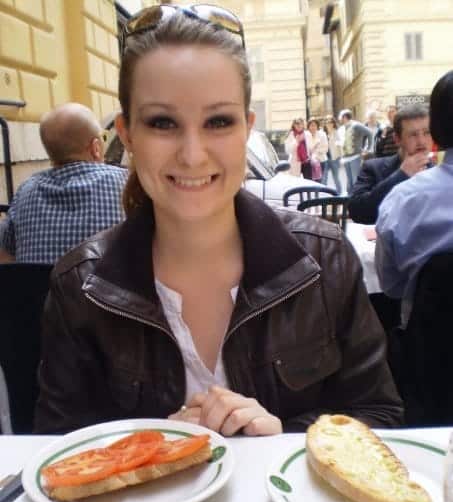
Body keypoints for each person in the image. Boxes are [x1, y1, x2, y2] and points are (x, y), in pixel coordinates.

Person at [34, 5, 402, 435]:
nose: (192, 154)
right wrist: (151, 446)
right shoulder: (79, 285)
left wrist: (283, 436)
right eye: (163, 122)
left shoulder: (326, 259)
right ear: (128, 133)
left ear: (247, 129)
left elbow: (379, 416)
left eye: (218, 121)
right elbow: (57, 447)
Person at [0, 103, 127, 264]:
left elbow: (5, 257)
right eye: (103, 137)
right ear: (95, 148)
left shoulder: (25, 190)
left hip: (39, 289)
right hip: (105, 289)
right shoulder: (125, 183)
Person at [376, 71, 453, 327]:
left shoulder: (404, 202)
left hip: (431, 352)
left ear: (436, 130)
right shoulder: (399, 191)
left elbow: (392, 286)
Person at [348, 104, 432, 224]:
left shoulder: (440, 173)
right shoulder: (373, 168)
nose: (421, 141)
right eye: (413, 135)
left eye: (427, 133)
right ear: (397, 139)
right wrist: (401, 175)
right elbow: (357, 212)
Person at [338, 109, 372, 194]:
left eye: (340, 116)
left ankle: (357, 198)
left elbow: (369, 133)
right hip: (346, 158)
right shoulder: (343, 127)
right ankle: (349, 200)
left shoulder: (356, 125)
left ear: (345, 117)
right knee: (349, 181)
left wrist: (367, 148)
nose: (339, 118)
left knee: (355, 179)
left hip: (355, 157)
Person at [322, 115, 342, 192]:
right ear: (325, 124)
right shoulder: (322, 133)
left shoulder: (337, 132)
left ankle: (339, 194)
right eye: (327, 122)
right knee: (324, 178)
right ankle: (323, 194)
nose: (329, 124)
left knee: (336, 178)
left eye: (331, 122)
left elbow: (340, 146)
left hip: (335, 158)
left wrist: (341, 158)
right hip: (325, 159)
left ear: (333, 123)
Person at [306, 118, 328, 183]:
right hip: (309, 162)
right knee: (311, 181)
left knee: (321, 181)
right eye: (311, 125)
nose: (313, 127)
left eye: (314, 125)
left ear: (317, 126)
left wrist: (316, 153)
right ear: (308, 126)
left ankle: (322, 193)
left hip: (321, 160)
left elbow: (325, 148)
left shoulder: (322, 134)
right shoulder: (306, 135)